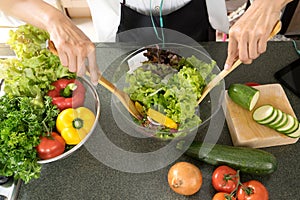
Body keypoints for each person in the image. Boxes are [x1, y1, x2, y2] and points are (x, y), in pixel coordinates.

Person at [0, 0, 294, 85]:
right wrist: (53, 19)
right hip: (120, 22)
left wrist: (268, 4)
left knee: (198, 73)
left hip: (196, 14)